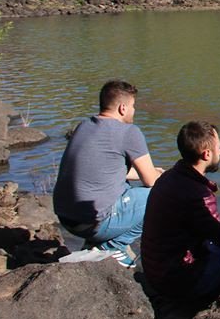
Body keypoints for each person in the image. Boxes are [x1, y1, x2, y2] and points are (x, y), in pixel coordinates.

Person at [53, 80, 163, 267]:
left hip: (66, 218)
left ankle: (95, 242)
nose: (134, 111)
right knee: (161, 195)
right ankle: (113, 246)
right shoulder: (128, 132)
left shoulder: (85, 125)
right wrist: (162, 175)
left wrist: (147, 173)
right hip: (93, 222)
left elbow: (105, 169)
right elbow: (152, 181)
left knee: (130, 189)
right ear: (122, 108)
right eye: (133, 106)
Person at [142, 121, 220, 299]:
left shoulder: (170, 176)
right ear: (206, 154)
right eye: (219, 148)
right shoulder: (197, 194)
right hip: (175, 280)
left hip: (155, 270)